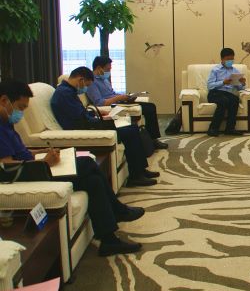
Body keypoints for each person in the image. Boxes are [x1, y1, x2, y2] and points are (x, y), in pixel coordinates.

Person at [0, 79, 144, 256]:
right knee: (87, 163)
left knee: (93, 181)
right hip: (31, 173)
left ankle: (109, 240)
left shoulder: (5, 123)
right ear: (4, 101)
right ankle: (118, 211)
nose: (20, 114)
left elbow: (20, 152)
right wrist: (44, 162)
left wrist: (42, 151)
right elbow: (7, 167)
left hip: (36, 165)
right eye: (20, 108)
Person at [51, 67, 159, 187]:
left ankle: (140, 170)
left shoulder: (68, 91)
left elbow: (80, 114)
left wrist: (97, 114)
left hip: (86, 123)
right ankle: (135, 176)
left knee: (132, 128)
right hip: (83, 128)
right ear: (81, 80)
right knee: (129, 131)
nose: (85, 88)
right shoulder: (65, 94)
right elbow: (80, 120)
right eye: (86, 85)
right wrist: (99, 120)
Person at [87, 56, 168, 150]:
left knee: (151, 106)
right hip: (113, 105)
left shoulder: (104, 80)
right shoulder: (92, 82)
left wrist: (126, 96)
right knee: (149, 109)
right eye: (107, 69)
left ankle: (153, 138)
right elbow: (99, 102)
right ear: (98, 68)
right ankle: (153, 140)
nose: (109, 72)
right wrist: (119, 98)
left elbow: (112, 94)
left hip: (119, 101)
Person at [206, 48, 247, 137]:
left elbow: (240, 88)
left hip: (228, 93)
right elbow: (209, 85)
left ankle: (230, 129)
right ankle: (213, 129)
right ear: (222, 59)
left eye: (232, 59)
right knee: (223, 101)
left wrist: (242, 83)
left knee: (235, 100)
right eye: (228, 59)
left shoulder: (235, 71)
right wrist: (223, 82)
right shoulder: (215, 70)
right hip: (215, 93)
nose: (230, 61)